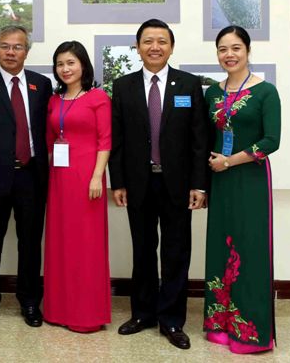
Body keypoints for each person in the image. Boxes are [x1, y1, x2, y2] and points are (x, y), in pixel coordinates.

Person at [108, 19, 210, 350]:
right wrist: (118, 181)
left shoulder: (188, 84)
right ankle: (143, 313)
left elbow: (199, 139)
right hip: (138, 182)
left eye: (162, 41)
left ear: (171, 47)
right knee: (142, 250)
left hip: (178, 183)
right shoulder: (123, 86)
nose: (155, 47)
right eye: (148, 41)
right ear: (138, 47)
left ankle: (172, 319)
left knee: (176, 252)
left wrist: (199, 185)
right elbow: (117, 140)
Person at [0, 25, 53, 329]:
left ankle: (29, 302)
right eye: (5, 46)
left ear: (26, 51)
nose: (10, 52)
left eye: (17, 47)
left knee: (30, 243)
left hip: (32, 176)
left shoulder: (42, 85)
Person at [203, 25, 281, 354]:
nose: (229, 54)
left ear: (248, 51)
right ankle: (219, 324)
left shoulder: (266, 91)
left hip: (250, 177)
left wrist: (230, 161)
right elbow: (206, 138)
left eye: (236, 48)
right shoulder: (212, 93)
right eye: (223, 49)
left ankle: (250, 331)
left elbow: (271, 140)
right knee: (220, 248)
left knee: (250, 249)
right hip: (220, 181)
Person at [43, 41, 112, 333]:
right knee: (61, 243)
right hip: (60, 178)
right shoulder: (54, 100)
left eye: (70, 62)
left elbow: (105, 141)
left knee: (86, 245)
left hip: (87, 178)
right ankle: (59, 310)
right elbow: (50, 142)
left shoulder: (98, 97)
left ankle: (86, 314)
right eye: (60, 64)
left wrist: (97, 176)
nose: (65, 69)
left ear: (83, 64)